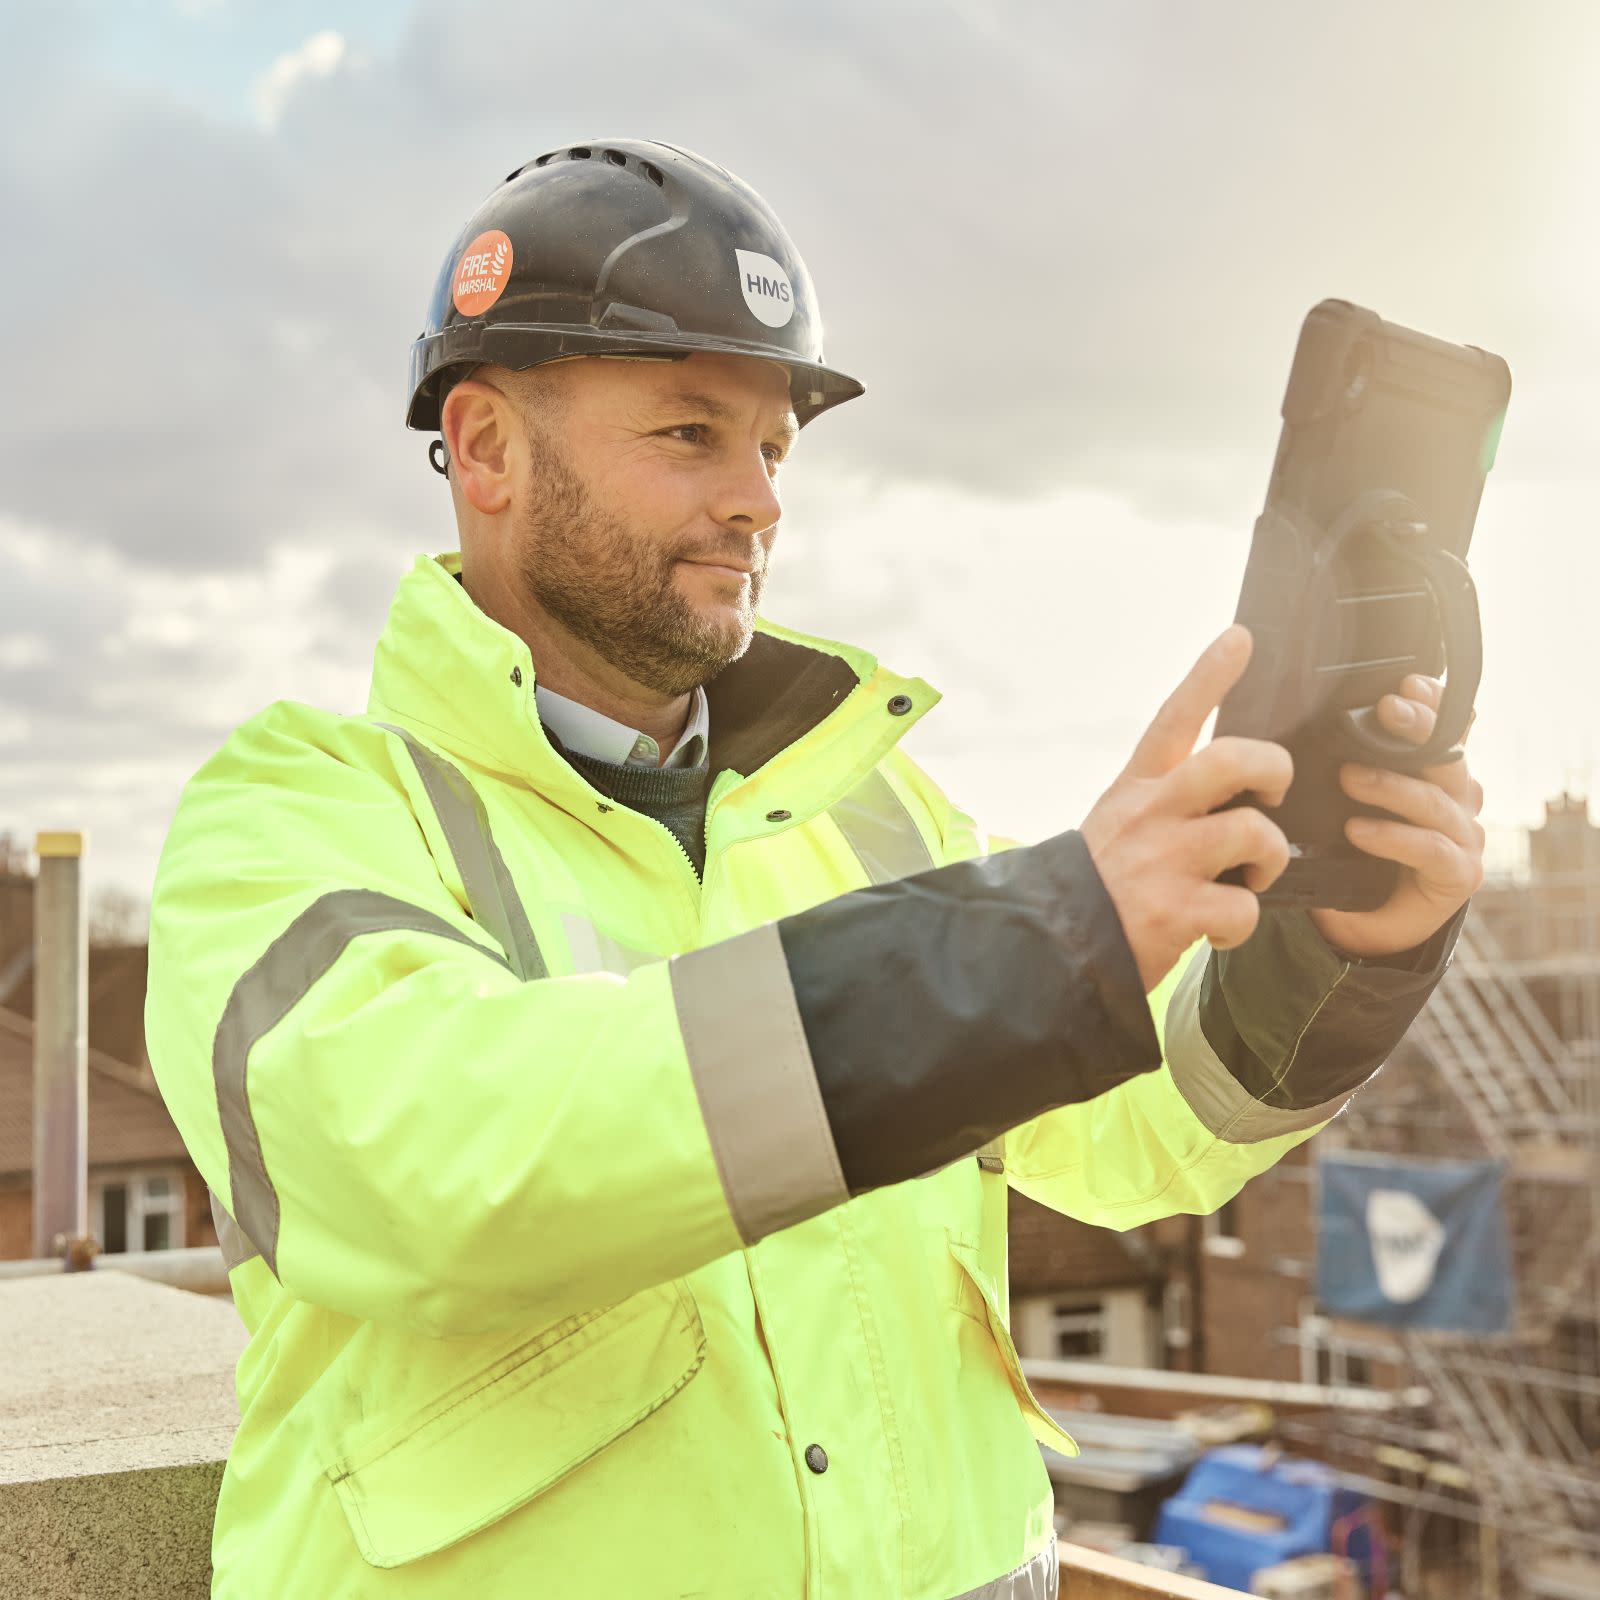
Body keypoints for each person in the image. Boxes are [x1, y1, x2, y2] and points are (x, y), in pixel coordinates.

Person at [145, 139, 1485, 1599]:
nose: (761, 502)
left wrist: (1336, 951)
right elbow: (419, 1170)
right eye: (689, 435)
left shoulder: (875, 809)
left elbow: (1135, 1140)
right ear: (484, 452)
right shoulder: (296, 810)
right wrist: (1031, 949)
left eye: (774, 449)